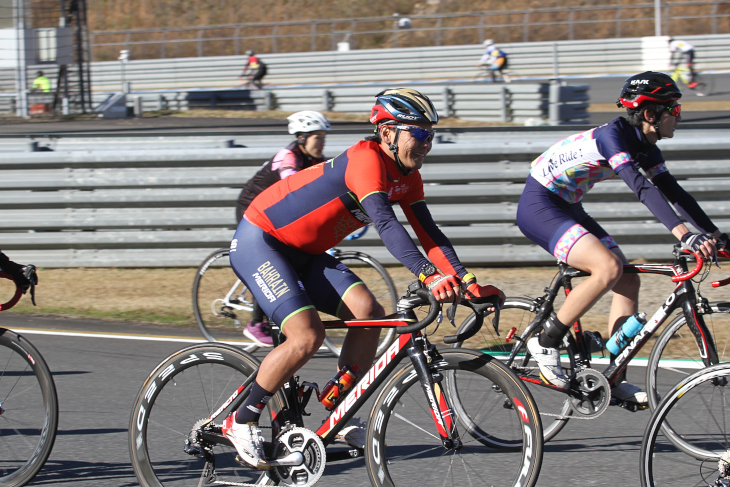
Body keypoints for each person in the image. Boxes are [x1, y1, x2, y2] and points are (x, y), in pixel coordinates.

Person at [222, 87, 505, 469]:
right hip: (262, 240)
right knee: (307, 336)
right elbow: (386, 223)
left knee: (369, 312)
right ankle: (240, 421)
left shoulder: (408, 176)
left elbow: (429, 234)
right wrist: (427, 275)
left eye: (430, 135)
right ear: (387, 132)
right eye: (418, 134)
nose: (426, 144)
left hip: (305, 253)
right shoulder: (365, 161)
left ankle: (338, 411)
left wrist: (467, 282)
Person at [516, 71, 726, 406]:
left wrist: (714, 234)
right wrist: (685, 235)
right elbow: (641, 188)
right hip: (539, 204)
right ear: (649, 114)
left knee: (628, 281)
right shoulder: (613, 136)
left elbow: (673, 192)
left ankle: (614, 376)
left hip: (568, 205)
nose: (678, 116)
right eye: (674, 109)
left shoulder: (647, 144)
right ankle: (546, 341)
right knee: (609, 268)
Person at [234, 110, 331, 346]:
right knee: (269, 264)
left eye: (323, 138)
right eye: (317, 138)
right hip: (252, 211)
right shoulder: (288, 156)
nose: (322, 143)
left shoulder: (318, 160)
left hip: (276, 213)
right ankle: (257, 323)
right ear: (301, 138)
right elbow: (294, 186)